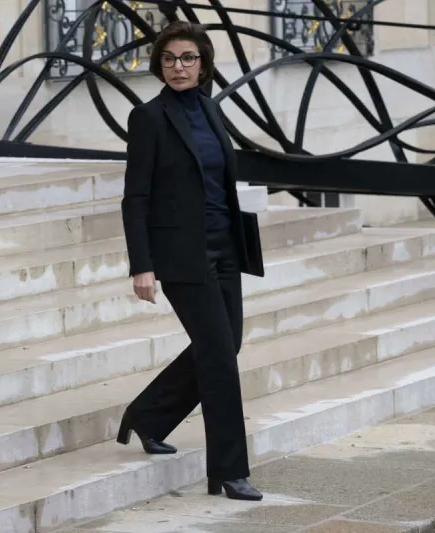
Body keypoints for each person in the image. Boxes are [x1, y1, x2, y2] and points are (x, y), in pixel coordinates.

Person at [116, 20, 263, 502]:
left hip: (224, 247)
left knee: (227, 344)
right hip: (182, 257)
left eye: (188, 58)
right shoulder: (149, 117)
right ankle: (229, 471)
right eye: (169, 59)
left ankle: (149, 414)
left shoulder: (210, 108)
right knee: (219, 358)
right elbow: (135, 197)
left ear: (203, 64)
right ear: (159, 65)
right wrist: (142, 264)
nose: (178, 67)